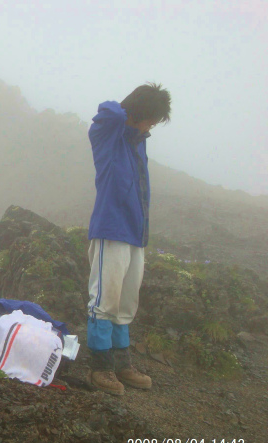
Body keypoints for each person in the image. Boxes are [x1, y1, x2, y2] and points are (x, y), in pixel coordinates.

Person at [85, 83, 171, 396]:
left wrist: (138, 122)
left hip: (136, 233)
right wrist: (130, 111)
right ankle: (100, 367)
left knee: (126, 303)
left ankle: (122, 363)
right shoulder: (108, 136)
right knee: (104, 300)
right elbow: (107, 111)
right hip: (111, 229)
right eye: (151, 120)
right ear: (137, 114)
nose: (151, 127)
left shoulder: (138, 143)